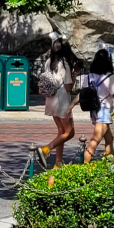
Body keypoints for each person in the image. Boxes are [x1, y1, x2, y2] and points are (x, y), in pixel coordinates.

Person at [67, 49, 114, 163]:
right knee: (95, 139)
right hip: (104, 111)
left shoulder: (89, 77)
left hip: (93, 111)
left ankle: (110, 160)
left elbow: (81, 94)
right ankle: (85, 165)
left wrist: (71, 106)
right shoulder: (111, 77)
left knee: (109, 138)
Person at [34, 39, 75, 168]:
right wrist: (75, 74)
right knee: (69, 132)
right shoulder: (64, 63)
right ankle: (46, 149)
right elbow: (69, 87)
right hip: (62, 100)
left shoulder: (48, 62)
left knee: (61, 131)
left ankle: (58, 161)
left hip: (50, 99)